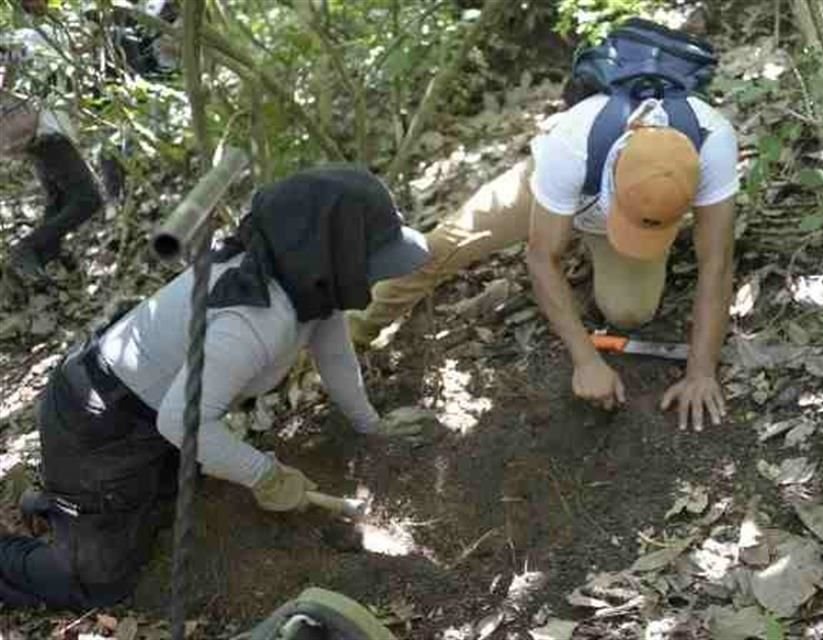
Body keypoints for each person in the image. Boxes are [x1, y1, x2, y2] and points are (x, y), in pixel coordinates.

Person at [0, 166, 430, 609]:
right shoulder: (252, 320)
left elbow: (335, 356)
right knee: (97, 584)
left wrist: (370, 425)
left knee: (166, 509)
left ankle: (69, 507)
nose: (377, 275)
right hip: (99, 423)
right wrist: (266, 475)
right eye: (369, 258)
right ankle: (60, 518)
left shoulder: (307, 283)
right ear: (328, 252)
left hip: (148, 411)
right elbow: (180, 421)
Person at [348, 58, 739, 435]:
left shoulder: (713, 141)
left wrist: (701, 372)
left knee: (630, 313)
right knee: (442, 248)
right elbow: (540, 257)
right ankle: (349, 332)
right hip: (554, 193)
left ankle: (613, 245)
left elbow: (716, 262)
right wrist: (585, 359)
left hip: (613, 211)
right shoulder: (572, 144)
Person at [1, 15, 104, 283]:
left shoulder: (21, 40)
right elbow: (81, 43)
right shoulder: (37, 35)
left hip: (33, 134)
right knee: (88, 199)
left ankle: (46, 257)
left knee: (58, 199)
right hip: (47, 131)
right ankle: (28, 249)